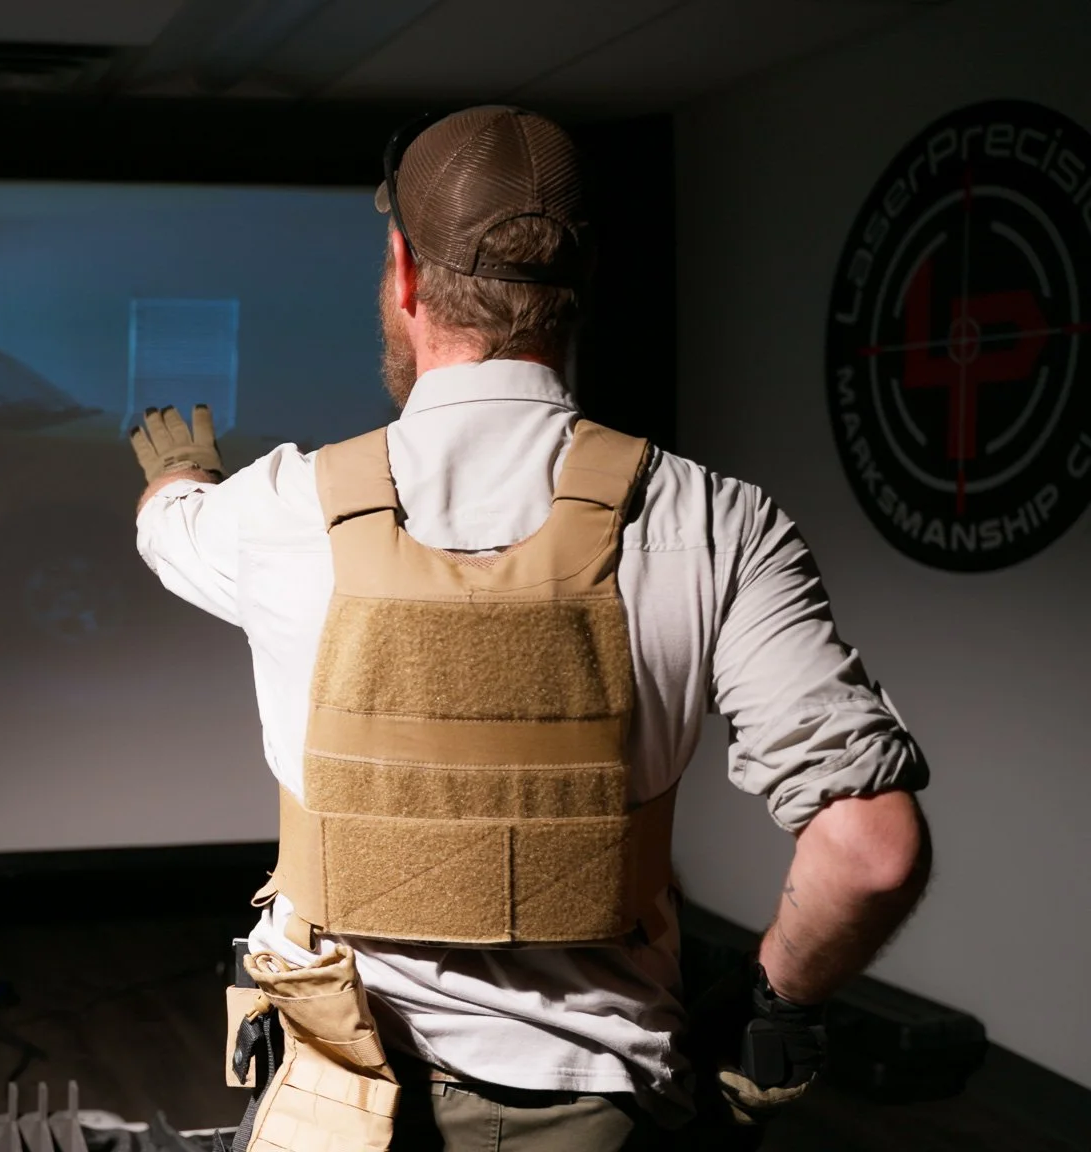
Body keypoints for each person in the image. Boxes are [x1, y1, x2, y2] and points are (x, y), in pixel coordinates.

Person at [130, 106, 932, 1150]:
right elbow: (868, 850)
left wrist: (181, 477)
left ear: (404, 275)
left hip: (336, 1103)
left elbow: (168, 528)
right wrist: (770, 1011)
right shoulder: (717, 522)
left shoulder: (279, 509)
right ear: (579, 284)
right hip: (602, 1111)